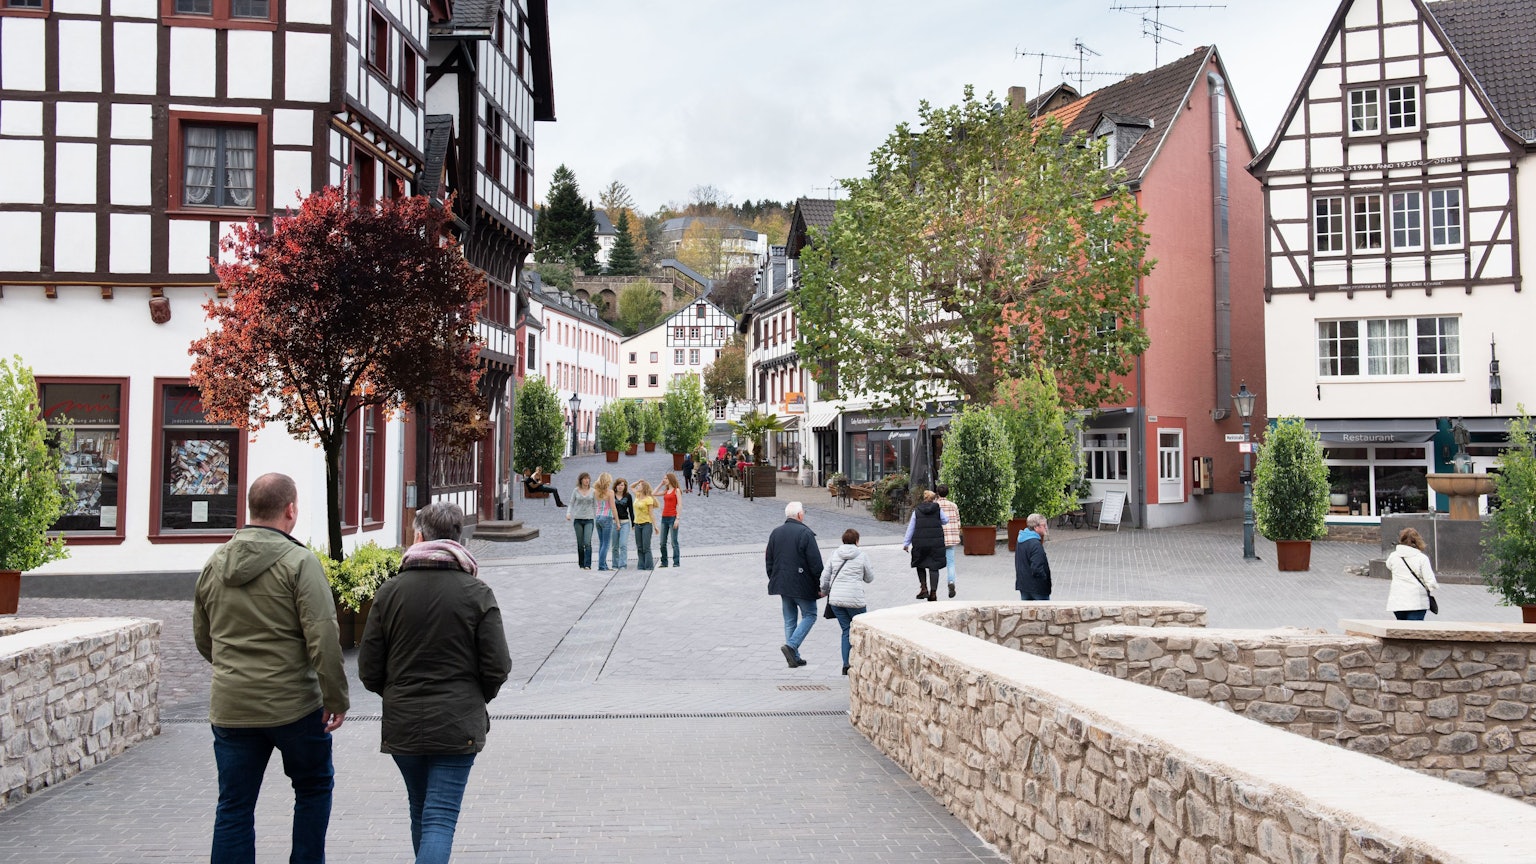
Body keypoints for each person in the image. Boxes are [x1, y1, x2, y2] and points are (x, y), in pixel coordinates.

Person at [193, 472, 349, 864]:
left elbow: (203, 634)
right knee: (313, 788)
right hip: (293, 705)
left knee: (234, 805)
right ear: (290, 510)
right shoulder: (299, 563)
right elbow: (323, 636)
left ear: (251, 508)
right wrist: (335, 697)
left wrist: (232, 669)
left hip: (231, 707)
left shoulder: (216, 562)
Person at [358, 502, 511, 864]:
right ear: (460, 538)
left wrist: (396, 693)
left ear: (418, 535)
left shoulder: (390, 592)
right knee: (439, 818)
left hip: (404, 722)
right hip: (458, 722)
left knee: (421, 811)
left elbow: (368, 668)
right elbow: (498, 665)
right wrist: (476, 697)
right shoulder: (477, 593)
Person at [766, 501, 825, 668]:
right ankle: (792, 646)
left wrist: (774, 577)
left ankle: (794, 657)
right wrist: (820, 586)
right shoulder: (805, 533)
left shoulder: (775, 533)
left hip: (782, 584)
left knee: (790, 619)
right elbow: (815, 564)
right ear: (800, 515)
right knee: (810, 614)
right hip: (802, 584)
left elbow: (769, 560)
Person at [822, 528, 875, 675]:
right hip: (855, 600)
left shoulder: (834, 554)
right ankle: (863, 663)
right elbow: (869, 578)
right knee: (863, 629)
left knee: (846, 630)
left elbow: (825, 576)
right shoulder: (862, 555)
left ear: (843, 540)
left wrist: (824, 590)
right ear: (857, 541)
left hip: (836, 600)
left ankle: (846, 664)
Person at [903, 489, 948, 601]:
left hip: (920, 542)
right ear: (934, 499)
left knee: (920, 564)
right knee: (934, 567)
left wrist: (906, 543)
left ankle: (923, 588)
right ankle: (933, 593)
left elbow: (911, 527)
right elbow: (945, 520)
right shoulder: (938, 509)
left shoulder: (917, 511)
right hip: (935, 543)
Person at [1386, 527, 1438, 621]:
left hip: (1397, 600)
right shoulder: (1421, 558)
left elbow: (1389, 566)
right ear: (1418, 541)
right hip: (1416, 601)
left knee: (1401, 629)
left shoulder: (1393, 556)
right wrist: (1430, 588)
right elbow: (1430, 581)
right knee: (1415, 629)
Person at [1015, 513, 1052, 600]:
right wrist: (1045, 582)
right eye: (1043, 525)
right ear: (1036, 527)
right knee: (1044, 612)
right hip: (1037, 588)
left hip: (1024, 586)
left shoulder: (1021, 540)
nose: (1046, 527)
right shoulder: (1035, 544)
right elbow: (1037, 568)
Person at [934, 483, 961, 598]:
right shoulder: (953, 505)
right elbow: (958, 522)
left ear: (937, 493)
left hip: (938, 538)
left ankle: (933, 587)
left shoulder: (935, 505)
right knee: (951, 563)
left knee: (935, 563)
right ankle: (951, 582)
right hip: (951, 538)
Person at [566, 472, 595, 569]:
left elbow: (596, 505)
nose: (587, 480)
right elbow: (571, 503)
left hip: (589, 519)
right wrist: (568, 513)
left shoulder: (593, 491)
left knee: (587, 542)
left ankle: (588, 564)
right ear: (581, 480)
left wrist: (597, 516)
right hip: (578, 519)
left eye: (588, 478)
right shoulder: (576, 491)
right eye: (585, 478)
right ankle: (581, 564)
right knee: (580, 543)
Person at [657, 472, 682, 568]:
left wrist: (677, 518)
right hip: (664, 517)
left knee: (674, 541)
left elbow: (680, 505)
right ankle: (664, 562)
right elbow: (653, 493)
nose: (664, 480)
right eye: (664, 478)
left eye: (665, 479)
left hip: (672, 517)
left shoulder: (677, 491)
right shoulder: (666, 491)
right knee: (662, 542)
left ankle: (676, 562)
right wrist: (661, 484)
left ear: (670, 479)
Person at [593, 472, 616, 571]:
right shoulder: (610, 492)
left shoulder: (595, 491)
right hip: (607, 517)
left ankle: (604, 565)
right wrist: (617, 521)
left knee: (602, 543)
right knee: (606, 544)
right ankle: (602, 566)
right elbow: (613, 507)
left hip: (598, 517)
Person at [632, 479, 657, 569]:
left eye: (640, 485)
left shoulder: (649, 499)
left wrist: (655, 526)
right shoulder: (637, 495)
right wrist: (638, 481)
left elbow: (651, 513)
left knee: (646, 547)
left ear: (643, 488)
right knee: (639, 547)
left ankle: (649, 566)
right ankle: (641, 566)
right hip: (637, 524)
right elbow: (632, 486)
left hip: (646, 524)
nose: (638, 486)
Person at [612, 478, 633, 570]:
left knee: (623, 544)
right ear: (615, 486)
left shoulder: (628, 496)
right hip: (613, 523)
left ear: (625, 487)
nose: (620, 487)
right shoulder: (611, 495)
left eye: (622, 485)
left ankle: (623, 564)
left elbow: (631, 510)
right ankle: (615, 564)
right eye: (619, 484)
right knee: (614, 546)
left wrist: (633, 523)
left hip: (625, 523)